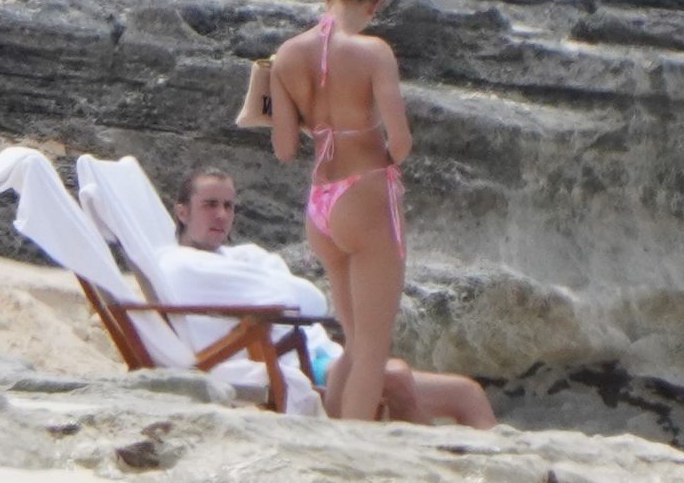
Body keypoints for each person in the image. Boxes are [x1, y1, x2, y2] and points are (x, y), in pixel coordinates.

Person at [173, 167, 497, 428]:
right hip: (290, 365)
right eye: (210, 205)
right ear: (182, 212)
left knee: (466, 393)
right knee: (395, 377)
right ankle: (429, 466)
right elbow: (308, 300)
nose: (222, 215)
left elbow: (306, 299)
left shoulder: (246, 256)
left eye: (228, 206)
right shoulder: (179, 265)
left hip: (324, 355)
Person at [269, 0, 411, 421]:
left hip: (321, 202)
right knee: (372, 347)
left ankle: (328, 430)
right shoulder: (374, 52)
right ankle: (353, 442)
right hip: (364, 192)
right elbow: (401, 141)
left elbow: (284, 148)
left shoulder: (286, 56)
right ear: (375, 4)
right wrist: (383, 165)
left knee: (353, 341)